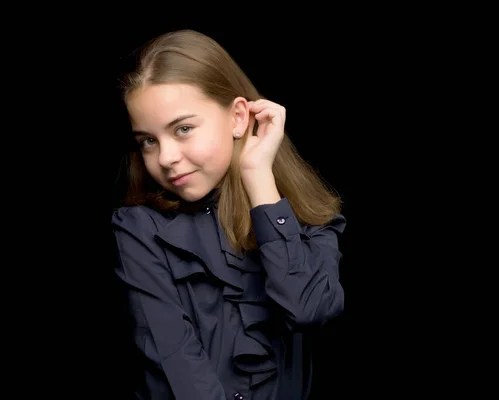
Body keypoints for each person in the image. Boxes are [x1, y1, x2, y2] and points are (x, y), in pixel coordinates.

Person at [111, 29, 346, 400]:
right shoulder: (141, 228)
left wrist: (258, 178)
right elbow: (178, 367)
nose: (166, 157)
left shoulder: (307, 215)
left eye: (183, 129)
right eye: (148, 141)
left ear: (238, 117)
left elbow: (308, 309)